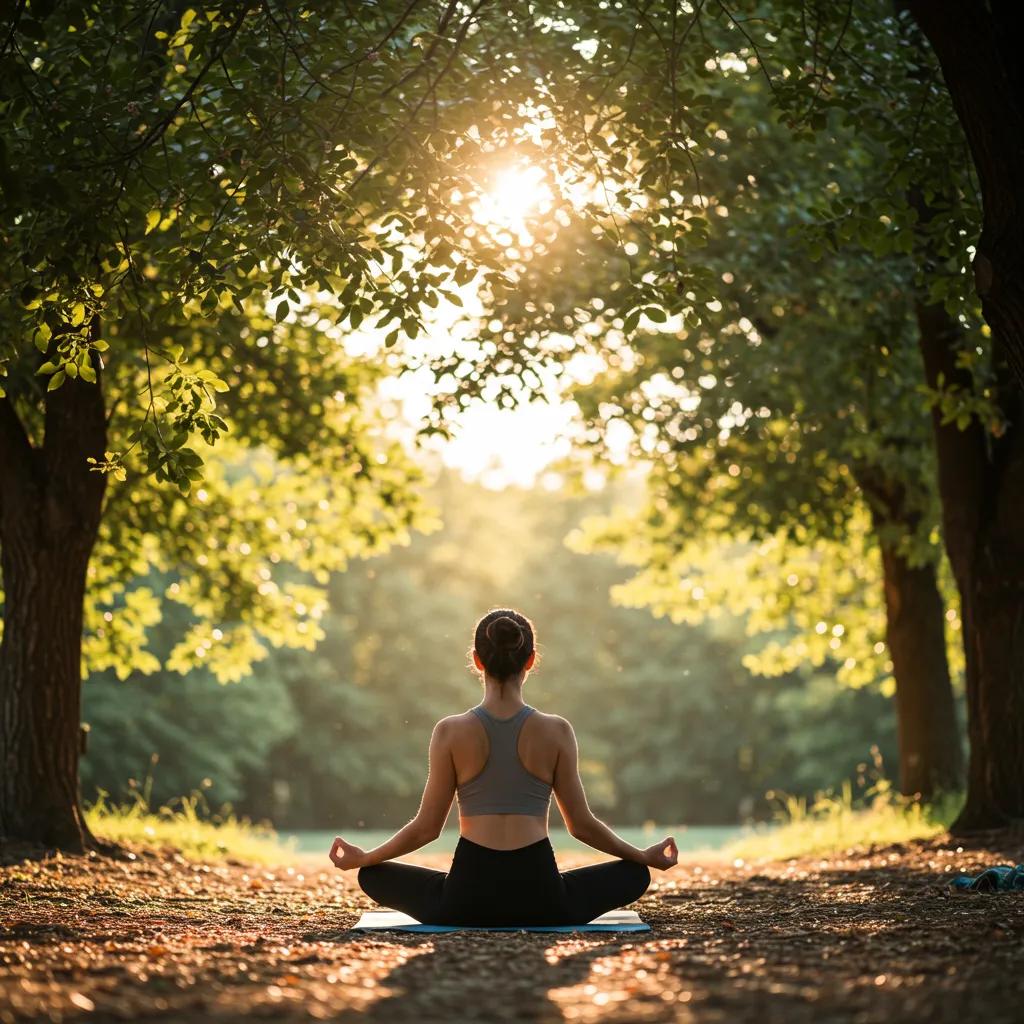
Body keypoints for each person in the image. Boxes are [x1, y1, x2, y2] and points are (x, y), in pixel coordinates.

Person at [328, 608, 678, 926]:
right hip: (544, 899)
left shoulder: (449, 731)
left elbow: (426, 829)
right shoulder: (557, 731)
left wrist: (367, 857)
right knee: (635, 874)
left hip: (465, 899)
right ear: (530, 660)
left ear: (478, 661)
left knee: (372, 876)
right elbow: (582, 826)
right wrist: (642, 855)